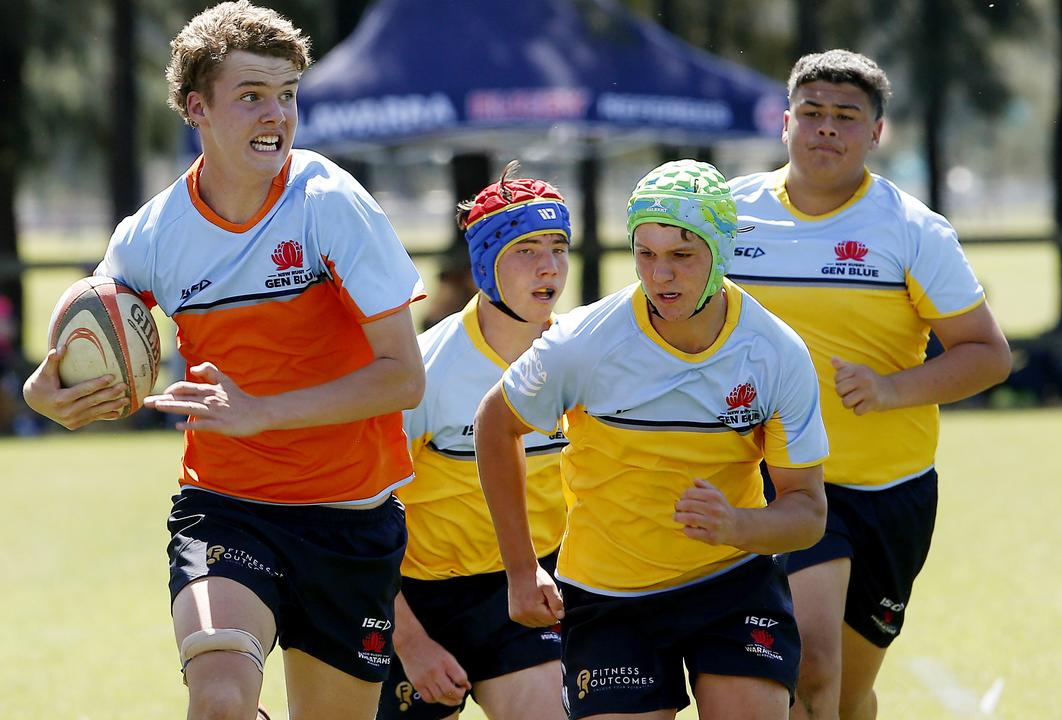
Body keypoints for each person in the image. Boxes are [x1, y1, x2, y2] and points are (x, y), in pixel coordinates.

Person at [22, 3, 426, 718]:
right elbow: (93, 333)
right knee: (218, 703)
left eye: (287, 95)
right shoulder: (150, 236)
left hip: (352, 518)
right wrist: (44, 392)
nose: (276, 115)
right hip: (226, 510)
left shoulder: (329, 203)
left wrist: (262, 412)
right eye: (251, 97)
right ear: (195, 108)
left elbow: (402, 376)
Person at [474, 159, 829, 720]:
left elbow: (808, 513)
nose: (661, 275)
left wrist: (737, 525)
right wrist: (521, 570)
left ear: (721, 251)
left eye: (682, 255)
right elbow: (496, 424)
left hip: (732, 582)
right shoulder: (584, 342)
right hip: (610, 595)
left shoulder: (775, 353)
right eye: (646, 254)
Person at [726, 50, 1011, 720]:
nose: (827, 128)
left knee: (847, 696)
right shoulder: (728, 217)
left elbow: (988, 355)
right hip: (774, 481)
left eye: (846, 117)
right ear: (786, 121)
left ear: (876, 132)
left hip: (888, 489)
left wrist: (889, 390)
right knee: (811, 672)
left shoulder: (911, 230)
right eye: (813, 113)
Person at [379, 162, 570, 720]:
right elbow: (357, 521)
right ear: (485, 263)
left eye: (558, 247)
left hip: (527, 590)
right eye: (525, 250)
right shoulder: (426, 372)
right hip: (410, 599)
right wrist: (411, 645)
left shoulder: (583, 357)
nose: (549, 267)